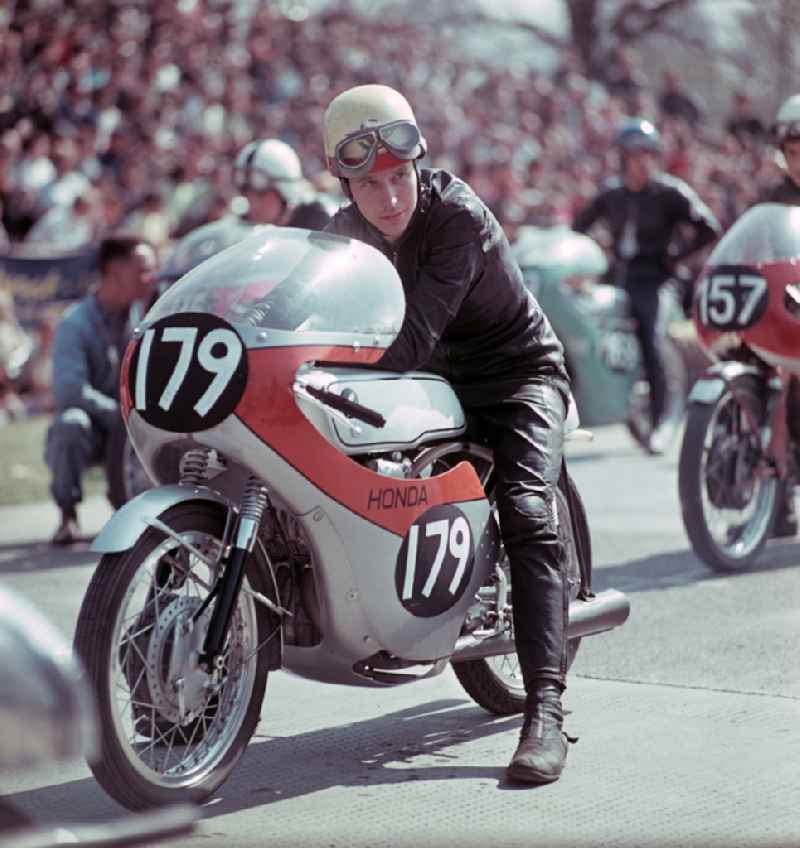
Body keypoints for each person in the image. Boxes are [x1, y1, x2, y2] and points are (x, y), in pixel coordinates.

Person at [322, 84, 573, 784]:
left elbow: (411, 339)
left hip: (516, 376)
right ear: (345, 183)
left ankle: (546, 710)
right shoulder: (341, 234)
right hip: (430, 391)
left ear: (418, 168)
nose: (390, 198)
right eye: (370, 184)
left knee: (527, 510)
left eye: (399, 177)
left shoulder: (457, 214)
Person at [572, 117, 721, 454]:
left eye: (646, 154)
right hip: (618, 276)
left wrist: (675, 258)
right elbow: (577, 229)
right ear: (622, 157)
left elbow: (708, 227)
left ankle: (660, 420)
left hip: (656, 277)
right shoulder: (611, 194)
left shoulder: (671, 192)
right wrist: (591, 259)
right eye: (632, 154)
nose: (640, 162)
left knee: (652, 338)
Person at [45, 235, 157, 545]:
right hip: (99, 426)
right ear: (116, 271)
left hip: (135, 425)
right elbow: (70, 391)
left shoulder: (148, 317)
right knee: (71, 423)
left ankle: (150, 513)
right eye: (143, 269)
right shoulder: (74, 324)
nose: (152, 277)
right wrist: (122, 416)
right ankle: (67, 516)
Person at [158, 138, 337, 288]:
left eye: (261, 193)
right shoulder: (241, 222)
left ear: (285, 192)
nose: (253, 202)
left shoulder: (322, 221)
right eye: (247, 192)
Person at [758, 94, 800, 537]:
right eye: (793, 153)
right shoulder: (774, 199)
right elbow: (754, 250)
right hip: (789, 308)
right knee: (775, 374)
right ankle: (778, 484)